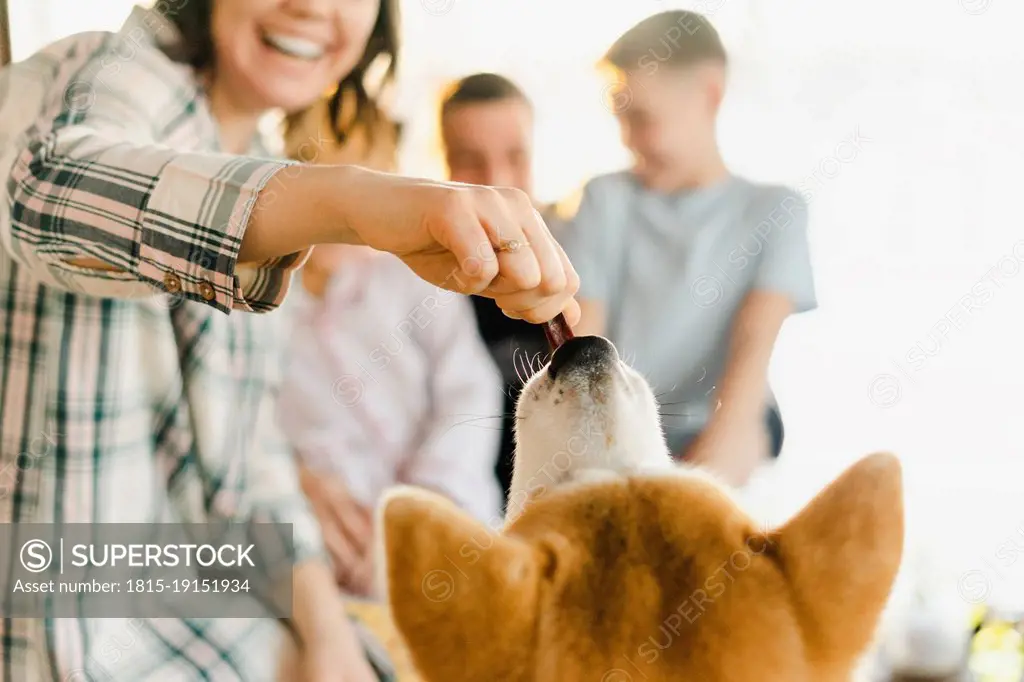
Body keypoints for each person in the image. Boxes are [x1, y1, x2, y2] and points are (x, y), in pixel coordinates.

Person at [0, 2, 578, 681]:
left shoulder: (257, 168)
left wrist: (327, 635)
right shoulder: (109, 67)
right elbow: (45, 193)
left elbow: (248, 465)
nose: (311, 5)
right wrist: (350, 204)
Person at [560, 10, 816, 487]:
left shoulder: (775, 212)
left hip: (718, 435)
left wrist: (687, 494)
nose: (628, 139)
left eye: (642, 118)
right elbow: (584, 358)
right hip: (618, 437)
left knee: (750, 433)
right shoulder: (604, 199)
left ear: (709, 94)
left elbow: (749, 364)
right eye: (619, 116)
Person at [277, 92, 504, 596]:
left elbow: (468, 392)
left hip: (446, 521)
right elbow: (244, 426)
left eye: (362, 177)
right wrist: (298, 484)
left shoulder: (414, 280)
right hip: (329, 548)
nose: (336, 216)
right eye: (316, 175)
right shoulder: (257, 307)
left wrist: (422, 509)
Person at [439, 73, 559, 502]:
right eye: (471, 159)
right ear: (442, 164)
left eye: (516, 156)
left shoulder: (579, 264)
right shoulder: (422, 280)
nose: (495, 179)